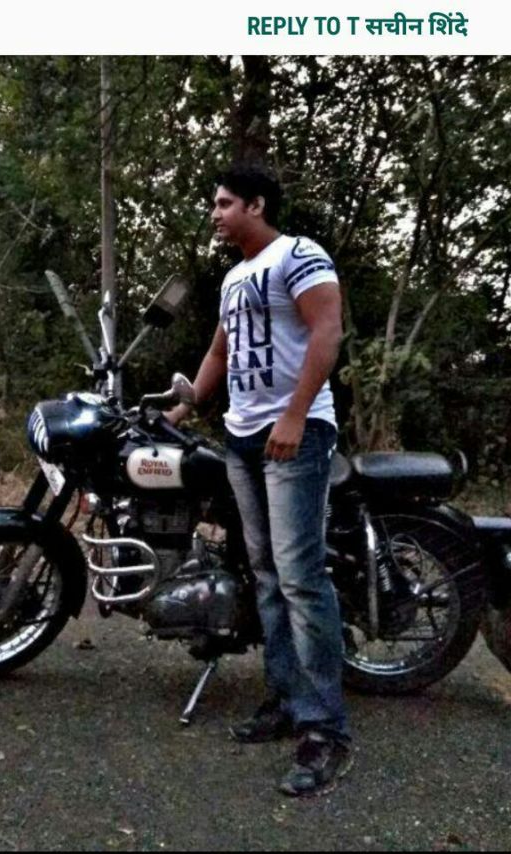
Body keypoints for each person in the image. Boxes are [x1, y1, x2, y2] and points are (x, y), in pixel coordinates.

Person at [167, 163, 352, 797]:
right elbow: (220, 352)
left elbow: (327, 330)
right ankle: (286, 698)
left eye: (224, 203)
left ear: (257, 204)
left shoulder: (297, 255)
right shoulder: (234, 277)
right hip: (242, 437)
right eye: (214, 204)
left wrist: (296, 414)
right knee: (267, 574)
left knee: (301, 578)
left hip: (293, 433)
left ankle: (326, 729)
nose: (215, 213)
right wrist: (182, 408)